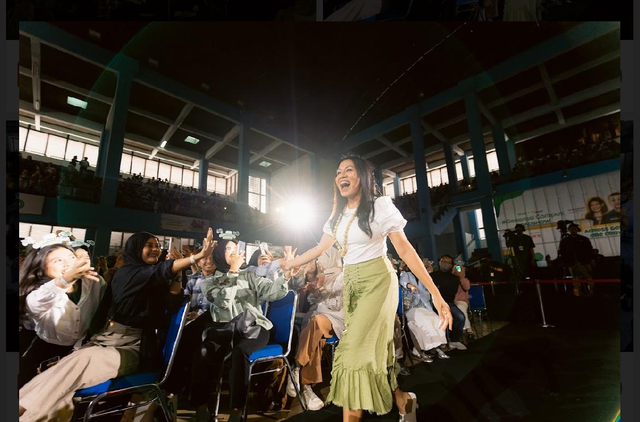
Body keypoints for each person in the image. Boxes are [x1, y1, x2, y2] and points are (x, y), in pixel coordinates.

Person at [280, 154, 453, 422]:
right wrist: (290, 262)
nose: (341, 175)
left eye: (348, 170)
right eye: (338, 171)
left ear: (362, 176)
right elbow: (319, 248)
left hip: (378, 282)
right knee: (373, 352)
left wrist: (436, 293)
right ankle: (404, 401)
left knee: (353, 354)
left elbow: (405, 249)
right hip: (352, 286)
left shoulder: (380, 206)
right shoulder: (337, 216)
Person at [19, 229, 216, 422]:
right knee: (66, 376)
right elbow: (160, 271)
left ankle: (22, 409)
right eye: (148, 246)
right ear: (134, 249)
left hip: (132, 347)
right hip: (99, 343)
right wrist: (195, 257)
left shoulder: (105, 281)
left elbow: (170, 301)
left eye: (157, 246)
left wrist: (178, 273)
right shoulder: (127, 273)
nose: (155, 249)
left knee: (79, 362)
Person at [183, 239, 301, 422]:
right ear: (219, 254)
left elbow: (272, 293)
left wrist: (285, 276)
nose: (234, 252)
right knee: (202, 352)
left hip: (254, 329)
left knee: (240, 351)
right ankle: (200, 409)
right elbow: (223, 301)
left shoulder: (249, 275)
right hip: (224, 332)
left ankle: (237, 411)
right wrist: (233, 273)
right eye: (229, 249)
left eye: (236, 249)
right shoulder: (210, 282)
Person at [18, 243, 107, 388]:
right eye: (58, 260)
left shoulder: (94, 283)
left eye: (71, 257)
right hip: (44, 351)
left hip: (78, 350)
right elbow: (38, 302)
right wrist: (66, 279)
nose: (67, 263)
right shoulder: (39, 293)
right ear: (42, 268)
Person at [287, 246, 346, 411]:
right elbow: (314, 302)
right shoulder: (318, 277)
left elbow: (338, 306)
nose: (319, 263)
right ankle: (307, 388)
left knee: (317, 322)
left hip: (337, 320)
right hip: (317, 321)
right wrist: (313, 290)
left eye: (321, 258)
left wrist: (320, 288)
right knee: (316, 337)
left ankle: (297, 366)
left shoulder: (343, 277)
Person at [430, 255, 467, 352]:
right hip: (435, 303)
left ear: (451, 265)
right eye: (443, 261)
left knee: (460, 316)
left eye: (447, 262)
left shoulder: (454, 278)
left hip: (448, 303)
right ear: (439, 262)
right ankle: (443, 341)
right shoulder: (432, 276)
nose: (445, 263)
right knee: (443, 317)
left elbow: (451, 292)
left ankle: (455, 340)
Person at [558, 223, 594, 297]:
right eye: (571, 229)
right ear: (569, 230)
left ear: (577, 230)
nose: (573, 230)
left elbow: (589, 250)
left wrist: (589, 260)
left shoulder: (584, 239)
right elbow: (563, 252)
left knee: (588, 277)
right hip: (572, 263)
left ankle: (591, 292)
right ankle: (577, 294)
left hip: (584, 262)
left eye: (574, 229)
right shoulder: (565, 241)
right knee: (576, 279)